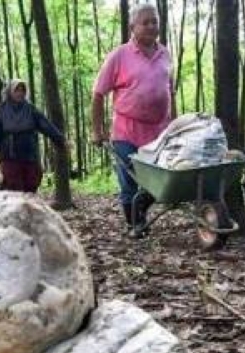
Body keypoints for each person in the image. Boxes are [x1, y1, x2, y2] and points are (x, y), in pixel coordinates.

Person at [91, 3, 175, 236]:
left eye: (154, 21)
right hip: (126, 130)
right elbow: (98, 93)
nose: (151, 26)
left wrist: (175, 125)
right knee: (129, 180)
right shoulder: (119, 55)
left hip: (159, 132)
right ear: (132, 27)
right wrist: (96, 130)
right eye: (145, 22)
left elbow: (170, 91)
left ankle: (140, 214)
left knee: (159, 181)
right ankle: (134, 225)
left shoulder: (165, 53)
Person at [0, 79, 67, 193]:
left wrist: (61, 139)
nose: (20, 93)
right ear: (10, 92)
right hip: (10, 157)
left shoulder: (31, 109)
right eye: (17, 90)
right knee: (14, 189)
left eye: (22, 90)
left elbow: (45, 125)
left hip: (30, 156)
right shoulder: (0, 111)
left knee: (31, 186)